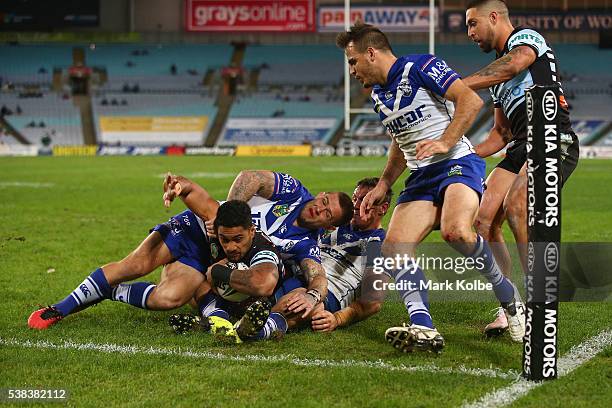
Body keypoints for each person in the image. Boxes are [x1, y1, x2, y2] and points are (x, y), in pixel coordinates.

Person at [336, 22, 525, 353]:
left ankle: (510, 300)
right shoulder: (379, 95)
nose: (351, 70)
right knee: (393, 250)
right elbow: (401, 141)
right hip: (421, 176)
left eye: (352, 61)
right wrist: (383, 183)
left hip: (457, 163)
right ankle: (423, 327)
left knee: (457, 233)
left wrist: (444, 141)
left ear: (370, 53)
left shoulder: (421, 66)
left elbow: (469, 101)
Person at [463, 0, 580, 335]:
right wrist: (463, 151)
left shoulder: (525, 39)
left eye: (473, 24)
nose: (470, 33)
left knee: (517, 203)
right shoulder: (497, 80)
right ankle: (511, 307)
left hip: (552, 138)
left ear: (495, 17)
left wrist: (457, 86)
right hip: (519, 147)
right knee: (482, 222)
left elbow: (515, 65)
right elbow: (500, 133)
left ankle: (537, 301)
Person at [27, 179, 277, 331]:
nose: (232, 246)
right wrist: (177, 186)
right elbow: (193, 191)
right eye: (226, 239)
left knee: (169, 299)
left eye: (238, 240)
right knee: (136, 264)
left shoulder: (264, 248)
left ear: (251, 232)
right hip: (189, 232)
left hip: (200, 262)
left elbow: (265, 281)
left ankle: (109, 290)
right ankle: (60, 308)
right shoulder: (217, 214)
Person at [162, 171, 354, 338]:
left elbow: (322, 279)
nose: (319, 208)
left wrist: (318, 301)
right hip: (225, 248)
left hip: (255, 275)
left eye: (327, 214)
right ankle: (219, 319)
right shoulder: (294, 192)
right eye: (324, 201)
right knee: (195, 278)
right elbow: (251, 177)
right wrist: (229, 218)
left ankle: (222, 322)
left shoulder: (311, 244)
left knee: (305, 302)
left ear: (329, 226)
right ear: (322, 194)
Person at [271, 177, 391, 335]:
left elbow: (373, 301)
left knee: (302, 302)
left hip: (329, 292)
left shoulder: (381, 244)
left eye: (365, 201)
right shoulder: (331, 224)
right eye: (355, 198)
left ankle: (260, 328)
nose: (356, 205)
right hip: (295, 273)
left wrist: (338, 318)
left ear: (382, 208)